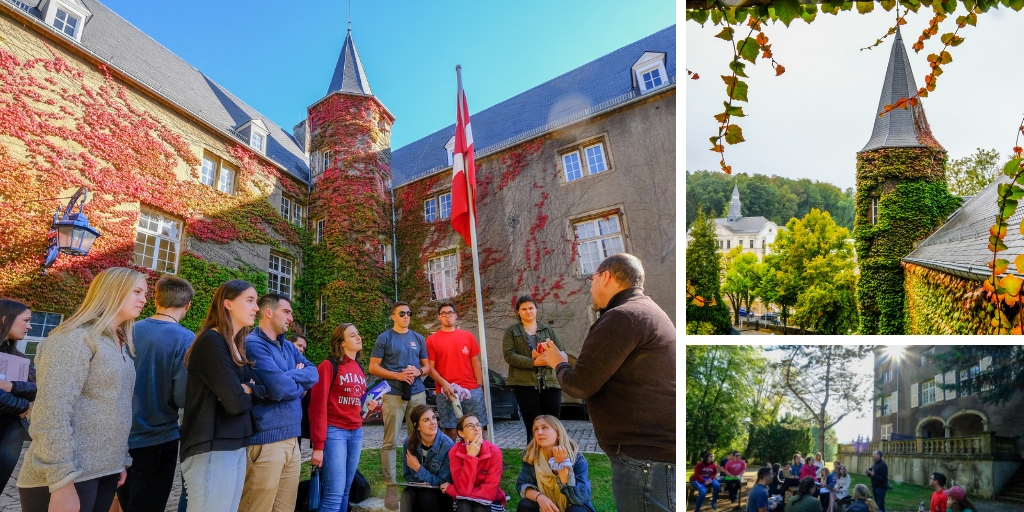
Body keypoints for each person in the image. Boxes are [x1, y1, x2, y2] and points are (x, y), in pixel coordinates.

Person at [537, 253, 675, 512]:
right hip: (653, 455)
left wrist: (558, 362)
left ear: (607, 277)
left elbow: (580, 385)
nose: (590, 286)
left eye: (592, 279)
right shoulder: (647, 311)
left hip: (644, 458)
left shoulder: (622, 316)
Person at [16, 267, 146, 512]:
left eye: (145, 293)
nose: (144, 299)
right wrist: (61, 480)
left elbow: (115, 408)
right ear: (111, 291)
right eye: (136, 291)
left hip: (103, 471)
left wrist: (119, 460)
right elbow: (50, 411)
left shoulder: (120, 347)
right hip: (69, 476)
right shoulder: (74, 338)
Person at [178, 279, 266, 512]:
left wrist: (246, 388)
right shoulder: (212, 341)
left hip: (235, 444)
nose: (256, 308)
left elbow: (262, 389)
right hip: (211, 446)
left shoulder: (236, 344)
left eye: (255, 302)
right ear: (227, 303)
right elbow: (235, 403)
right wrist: (246, 390)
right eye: (249, 300)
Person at [117, 276, 196, 512]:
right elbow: (183, 397)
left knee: (126, 500)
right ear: (188, 305)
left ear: (155, 299)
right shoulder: (185, 338)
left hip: (120, 435)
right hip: (158, 437)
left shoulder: (127, 329)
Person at [239, 294, 318, 512]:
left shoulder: (289, 347)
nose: (291, 318)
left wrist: (287, 376)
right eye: (287, 311)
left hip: (292, 440)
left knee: (284, 509)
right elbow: (278, 388)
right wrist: (298, 383)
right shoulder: (254, 344)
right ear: (268, 313)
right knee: (256, 507)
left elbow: (313, 373)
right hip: (267, 440)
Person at [310, 323, 378, 512]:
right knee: (333, 494)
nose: (358, 337)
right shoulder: (328, 365)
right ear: (341, 342)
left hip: (356, 431)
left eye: (358, 334)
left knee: (346, 491)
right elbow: (317, 405)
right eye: (352, 335)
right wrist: (318, 446)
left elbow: (357, 406)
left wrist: (367, 407)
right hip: (334, 431)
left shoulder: (358, 368)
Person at [370, 301, 430, 510]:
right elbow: (373, 367)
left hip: (417, 393)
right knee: (390, 441)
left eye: (409, 313)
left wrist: (419, 372)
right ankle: (391, 486)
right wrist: (397, 375)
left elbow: (428, 365)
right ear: (393, 316)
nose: (406, 316)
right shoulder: (385, 338)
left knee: (419, 439)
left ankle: (417, 480)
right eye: (402, 313)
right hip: (393, 394)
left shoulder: (418, 338)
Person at [502, 295, 564, 444]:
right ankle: (534, 460)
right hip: (525, 385)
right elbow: (509, 355)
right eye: (524, 309)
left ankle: (557, 459)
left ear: (536, 309)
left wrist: (547, 357)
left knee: (554, 425)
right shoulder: (511, 330)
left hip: (550, 383)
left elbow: (561, 353)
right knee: (532, 426)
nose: (528, 311)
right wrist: (534, 362)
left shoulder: (547, 330)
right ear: (518, 311)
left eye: (531, 308)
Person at [426, 302, 485, 442]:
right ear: (439, 317)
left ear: (456, 316)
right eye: (444, 314)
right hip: (446, 392)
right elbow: (430, 368)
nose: (448, 316)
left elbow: (475, 363)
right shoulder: (432, 340)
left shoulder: (468, 336)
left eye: (450, 313)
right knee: (450, 431)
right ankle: (450, 462)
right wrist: (444, 384)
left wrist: (479, 385)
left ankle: (479, 460)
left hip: (471, 389)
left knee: (477, 428)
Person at [515, 415, 595, 512]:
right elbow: (522, 484)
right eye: (536, 429)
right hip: (544, 507)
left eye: (544, 427)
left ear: (558, 433)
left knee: (576, 510)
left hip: (571, 505)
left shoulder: (578, 460)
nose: (539, 432)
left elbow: (580, 498)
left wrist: (561, 465)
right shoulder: (531, 457)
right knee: (525, 504)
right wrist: (540, 497)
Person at [0, 299, 36, 490]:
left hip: (11, 436)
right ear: (6, 319)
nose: (29, 327)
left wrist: (12, 386)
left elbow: (36, 388)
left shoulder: (20, 358)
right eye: (26, 320)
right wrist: (24, 408)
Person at [441, 415, 505, 512]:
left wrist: (452, 490)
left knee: (480, 508)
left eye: (478, 425)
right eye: (470, 426)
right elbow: (463, 489)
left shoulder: (495, 452)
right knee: (463, 505)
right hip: (463, 500)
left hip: (490, 502)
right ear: (461, 433)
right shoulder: (454, 452)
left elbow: (489, 492)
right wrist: (471, 456)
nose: (476, 429)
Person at [401, 404, 454, 512]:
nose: (433, 422)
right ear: (417, 426)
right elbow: (407, 474)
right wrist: (420, 483)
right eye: (426, 420)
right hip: (419, 488)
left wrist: (418, 469)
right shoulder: (409, 443)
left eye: (433, 417)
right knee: (407, 494)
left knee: (426, 497)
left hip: (440, 492)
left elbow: (443, 482)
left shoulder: (447, 445)